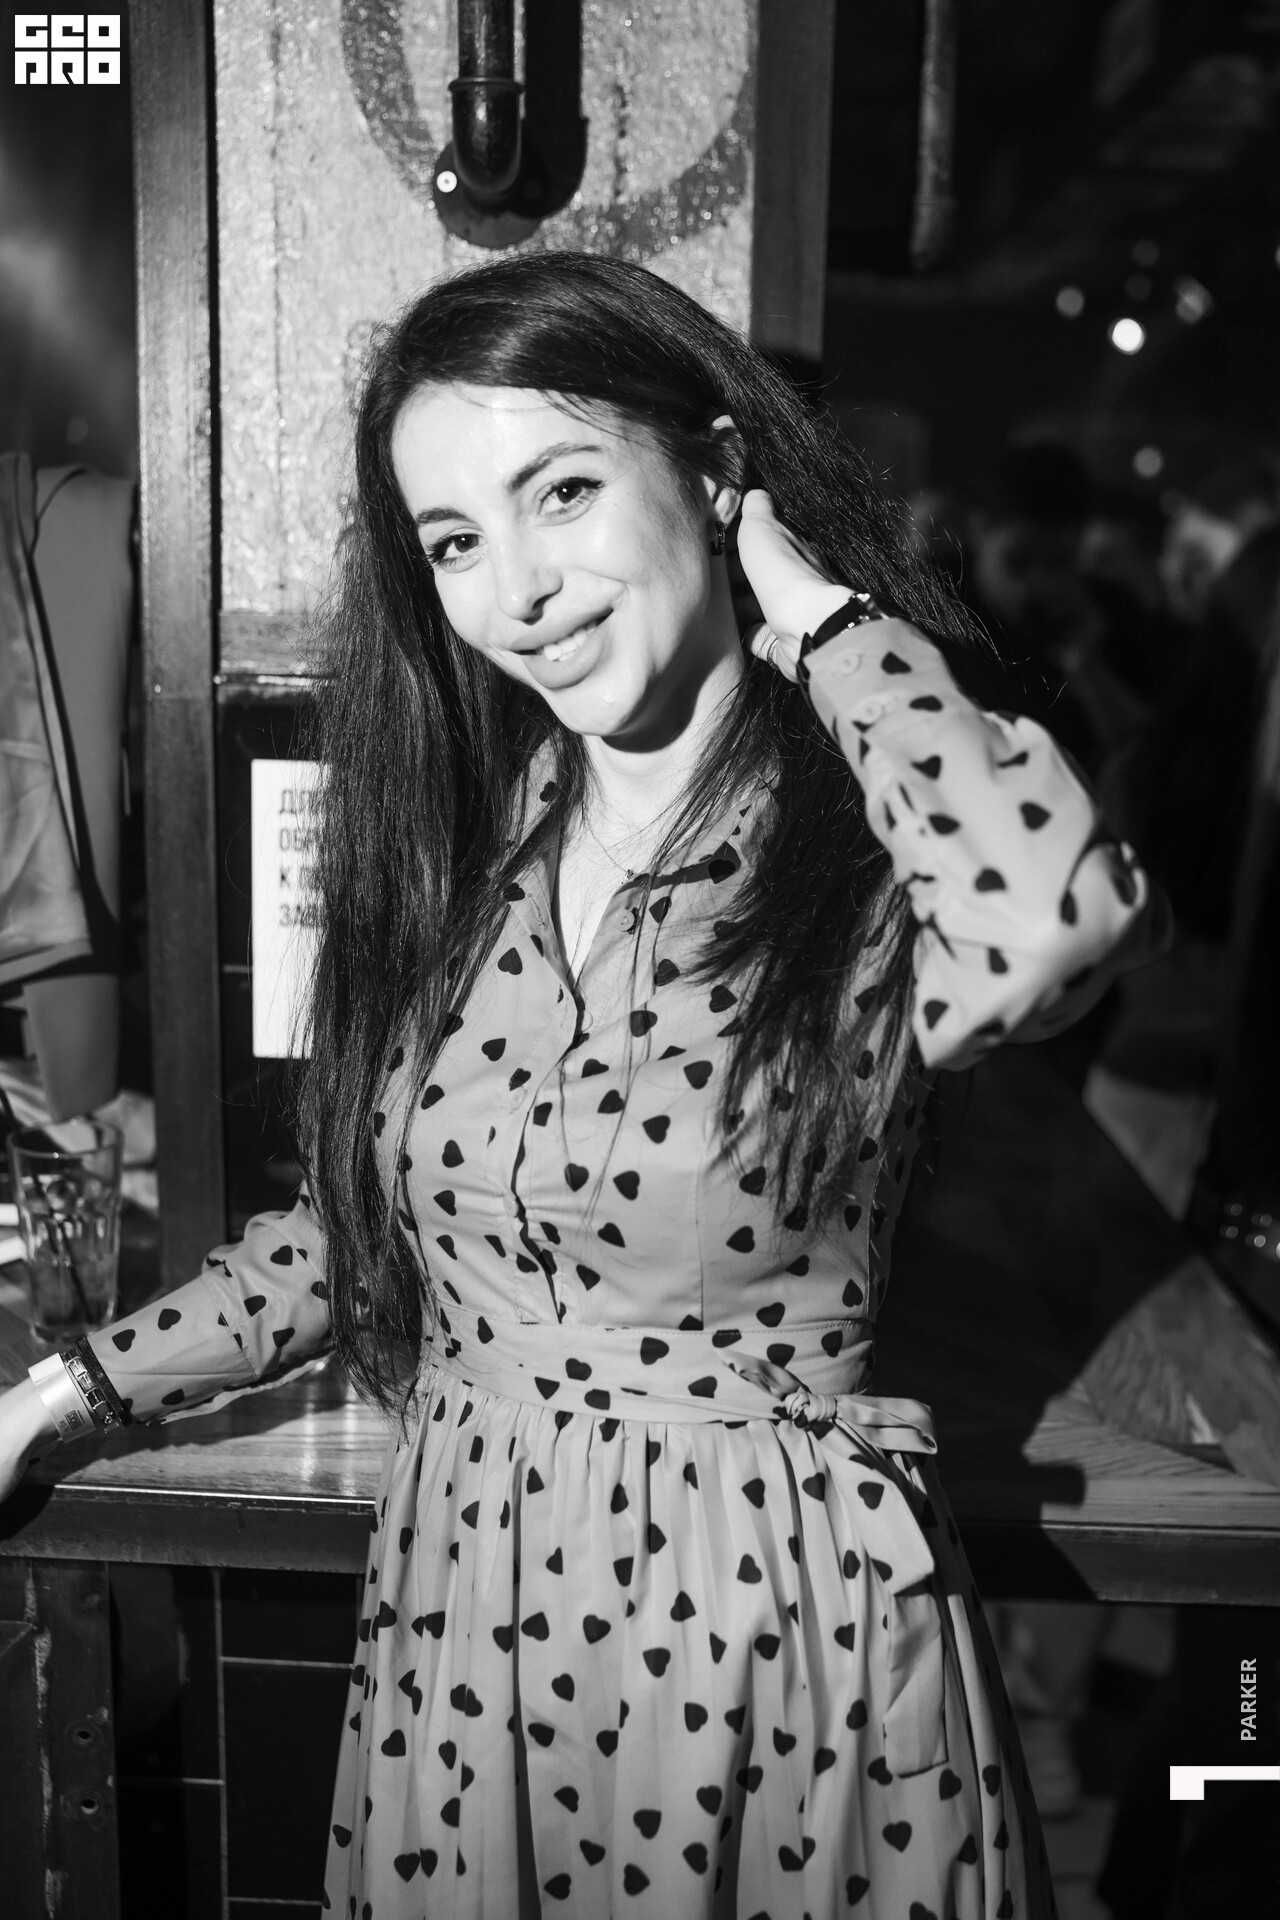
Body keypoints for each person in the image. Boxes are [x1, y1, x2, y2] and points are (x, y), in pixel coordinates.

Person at [0, 254, 1164, 1918]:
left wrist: (824, 620)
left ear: (712, 469)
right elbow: (361, 1238)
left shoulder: (858, 848)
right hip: (468, 1619)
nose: (521, 588)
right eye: (456, 541)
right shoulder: (477, 846)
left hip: (766, 1638)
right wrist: (58, 1394)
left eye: (562, 491)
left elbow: (1053, 920)